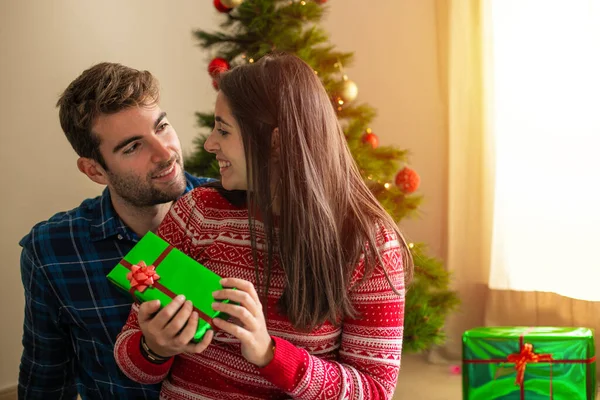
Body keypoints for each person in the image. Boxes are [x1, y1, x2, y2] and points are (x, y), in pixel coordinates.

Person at [115, 53, 413, 400]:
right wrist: (154, 347)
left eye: (223, 130)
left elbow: (375, 391)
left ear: (274, 142)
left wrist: (269, 352)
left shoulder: (368, 244)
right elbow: (128, 357)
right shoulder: (195, 212)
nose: (209, 144)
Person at [19, 62, 213, 400]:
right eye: (133, 146)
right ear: (94, 170)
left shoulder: (235, 213)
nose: (165, 152)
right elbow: (46, 377)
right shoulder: (52, 250)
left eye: (162, 126)